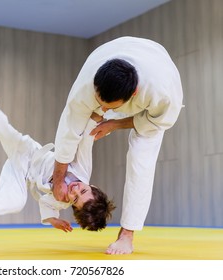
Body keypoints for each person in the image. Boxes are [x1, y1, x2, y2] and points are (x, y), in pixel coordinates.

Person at [52, 36, 183, 253]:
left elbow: (158, 122)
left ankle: (127, 235)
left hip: (156, 66)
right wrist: (58, 180)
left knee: (141, 156)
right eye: (99, 101)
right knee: (83, 118)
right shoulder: (87, 83)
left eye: (108, 107)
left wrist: (115, 124)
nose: (103, 110)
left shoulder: (163, 93)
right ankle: (102, 105)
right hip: (112, 53)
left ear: (132, 96)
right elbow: (69, 130)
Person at [0, 81, 115, 232]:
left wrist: (52, 219)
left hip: (22, 173)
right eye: (83, 190)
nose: (75, 190)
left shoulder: (62, 200)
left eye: (75, 199)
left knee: (16, 203)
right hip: (30, 152)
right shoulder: (83, 168)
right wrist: (95, 118)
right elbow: (86, 143)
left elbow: (45, 202)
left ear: (74, 206)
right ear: (92, 186)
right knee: (6, 131)